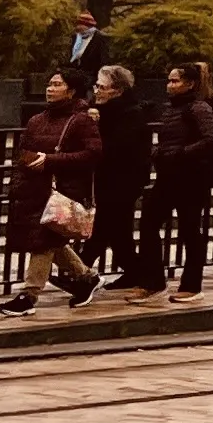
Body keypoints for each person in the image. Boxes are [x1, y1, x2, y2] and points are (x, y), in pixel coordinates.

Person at [4, 69, 105, 313]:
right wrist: (18, 182)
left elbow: (93, 154)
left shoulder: (81, 120)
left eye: (57, 84)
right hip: (34, 188)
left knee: (43, 242)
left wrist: (52, 160)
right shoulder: (36, 120)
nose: (50, 88)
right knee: (51, 240)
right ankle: (87, 278)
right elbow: (24, 152)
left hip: (61, 191)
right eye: (49, 84)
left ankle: (29, 296)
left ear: (71, 90)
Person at [135, 60, 213, 298]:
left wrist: (180, 153)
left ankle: (192, 286)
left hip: (191, 179)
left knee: (189, 230)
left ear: (190, 84)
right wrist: (159, 152)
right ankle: (153, 280)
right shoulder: (172, 109)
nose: (169, 85)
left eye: (175, 81)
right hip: (168, 176)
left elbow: (210, 140)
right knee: (148, 223)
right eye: (169, 80)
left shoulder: (198, 108)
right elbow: (169, 139)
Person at [87, 62, 155, 288]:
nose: (96, 91)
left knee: (103, 227)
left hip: (124, 181)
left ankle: (80, 271)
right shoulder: (98, 111)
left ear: (117, 90)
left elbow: (117, 147)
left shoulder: (131, 114)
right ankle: (135, 271)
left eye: (102, 87)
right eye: (96, 86)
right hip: (107, 179)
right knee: (119, 232)